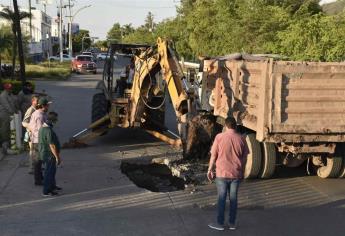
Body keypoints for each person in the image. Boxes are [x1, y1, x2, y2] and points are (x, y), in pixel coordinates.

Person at [207, 117, 249, 231]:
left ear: (225, 126)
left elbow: (213, 155)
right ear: (235, 125)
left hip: (221, 173)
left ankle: (220, 223)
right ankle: (232, 223)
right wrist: (243, 171)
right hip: (236, 174)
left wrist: (210, 169)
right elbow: (245, 158)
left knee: (221, 199)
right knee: (233, 199)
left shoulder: (219, 137)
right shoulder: (241, 139)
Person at [29, 97, 52, 185]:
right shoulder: (39, 116)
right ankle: (38, 180)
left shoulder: (40, 113)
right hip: (38, 141)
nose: (48, 107)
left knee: (39, 161)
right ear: (43, 106)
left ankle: (40, 177)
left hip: (37, 140)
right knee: (38, 162)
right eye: (47, 105)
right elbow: (41, 131)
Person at [39, 112, 61, 196]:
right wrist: (57, 157)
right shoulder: (48, 130)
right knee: (49, 173)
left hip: (46, 154)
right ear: (52, 120)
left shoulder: (43, 128)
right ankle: (46, 191)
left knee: (51, 172)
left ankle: (52, 187)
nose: (56, 121)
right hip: (49, 155)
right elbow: (51, 145)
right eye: (55, 120)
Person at [22, 94, 39, 174]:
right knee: (32, 151)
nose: (38, 102)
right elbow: (24, 122)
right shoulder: (30, 110)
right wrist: (31, 128)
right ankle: (31, 168)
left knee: (36, 151)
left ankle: (37, 166)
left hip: (35, 134)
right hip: (31, 133)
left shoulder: (36, 109)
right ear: (33, 102)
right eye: (37, 101)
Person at [0, 83, 17, 151]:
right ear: (6, 89)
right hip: (4, 114)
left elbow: (13, 103)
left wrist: (16, 110)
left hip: (10, 114)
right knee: (4, 129)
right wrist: (14, 112)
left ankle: (9, 142)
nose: (11, 89)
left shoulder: (11, 94)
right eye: (9, 88)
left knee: (10, 129)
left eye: (11, 88)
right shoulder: (3, 95)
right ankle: (4, 143)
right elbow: (7, 106)